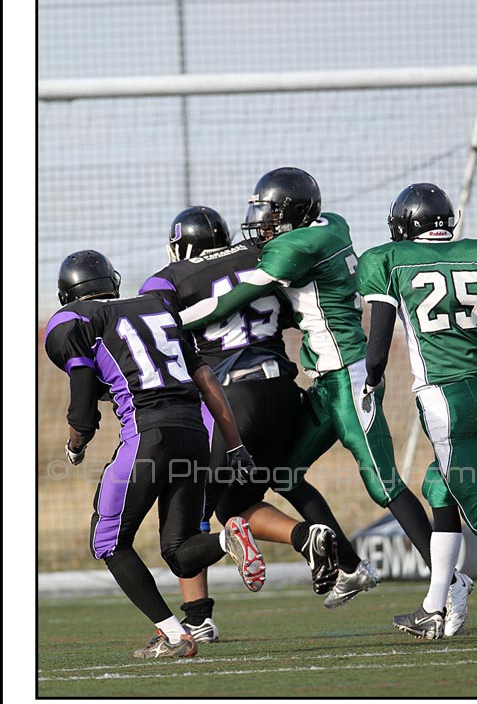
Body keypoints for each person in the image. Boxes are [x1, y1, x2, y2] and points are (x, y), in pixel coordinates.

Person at [179, 168, 440, 614]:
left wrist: (167, 321)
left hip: (349, 375)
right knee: (284, 473)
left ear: (297, 213)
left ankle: (446, 578)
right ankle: (351, 567)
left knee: (383, 483)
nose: (263, 222)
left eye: (271, 213)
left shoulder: (294, 247)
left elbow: (227, 303)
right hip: (325, 381)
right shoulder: (331, 224)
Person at [139, 206, 374, 640]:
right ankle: (307, 537)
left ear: (182, 246)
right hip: (284, 391)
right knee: (240, 502)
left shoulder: (168, 279)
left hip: (232, 400)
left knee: (187, 509)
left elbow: (154, 337)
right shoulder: (257, 255)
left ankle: (198, 618)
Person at [44, 249, 266, 659]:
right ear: (110, 282)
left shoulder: (73, 321)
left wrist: (75, 445)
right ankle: (228, 537)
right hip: (194, 435)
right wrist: (234, 445)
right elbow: (207, 381)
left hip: (148, 434)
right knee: (180, 552)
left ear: (67, 293)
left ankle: (174, 635)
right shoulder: (157, 308)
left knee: (108, 542)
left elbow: (83, 410)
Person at [356, 182, 477, 639]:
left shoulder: (388, 260)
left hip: (445, 401)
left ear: (405, 225)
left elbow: (376, 354)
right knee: (438, 486)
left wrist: (370, 382)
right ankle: (435, 605)